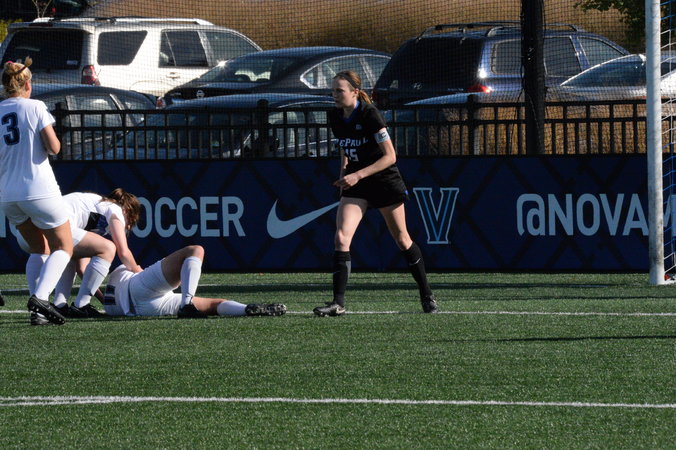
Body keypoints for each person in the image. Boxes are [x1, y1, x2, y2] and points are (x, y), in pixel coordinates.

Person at [313, 70, 438, 317]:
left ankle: (427, 294)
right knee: (341, 238)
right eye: (333, 90)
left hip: (383, 181)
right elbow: (344, 146)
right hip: (356, 184)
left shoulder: (370, 114)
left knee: (402, 239)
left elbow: (390, 156)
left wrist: (358, 175)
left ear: (355, 92)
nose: (334, 95)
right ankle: (338, 303)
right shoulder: (335, 115)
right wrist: (344, 172)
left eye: (339, 90)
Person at [0, 57, 72, 325]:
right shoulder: (36, 106)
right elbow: (54, 147)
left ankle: (39, 312)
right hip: (38, 189)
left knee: (39, 249)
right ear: (27, 84)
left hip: (7, 195)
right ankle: (41, 298)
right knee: (63, 247)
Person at [24, 188, 142, 323]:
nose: (128, 227)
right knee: (109, 248)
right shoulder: (116, 210)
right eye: (130, 222)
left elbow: (82, 268)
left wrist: (103, 299)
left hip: (37, 224)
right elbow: (123, 252)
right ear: (127, 211)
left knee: (70, 254)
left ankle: (60, 305)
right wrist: (138, 271)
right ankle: (80, 306)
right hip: (56, 224)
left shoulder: (96, 208)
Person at [103, 245, 285, 319]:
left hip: (141, 308)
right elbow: (127, 257)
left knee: (214, 305)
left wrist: (89, 301)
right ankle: (187, 304)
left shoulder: (108, 300)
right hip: (137, 290)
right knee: (195, 250)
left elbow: (93, 280)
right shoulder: (121, 272)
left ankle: (246, 309)